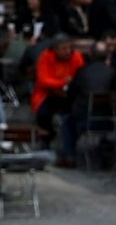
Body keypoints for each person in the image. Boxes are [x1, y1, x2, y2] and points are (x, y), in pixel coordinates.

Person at [30, 34, 85, 163]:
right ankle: (46, 138)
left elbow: (80, 77)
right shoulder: (45, 56)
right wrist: (63, 82)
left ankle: (69, 147)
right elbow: (43, 80)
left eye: (69, 48)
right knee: (43, 113)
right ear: (55, 49)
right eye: (63, 48)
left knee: (73, 115)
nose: (67, 51)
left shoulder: (76, 57)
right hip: (48, 94)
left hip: (69, 95)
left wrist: (68, 84)